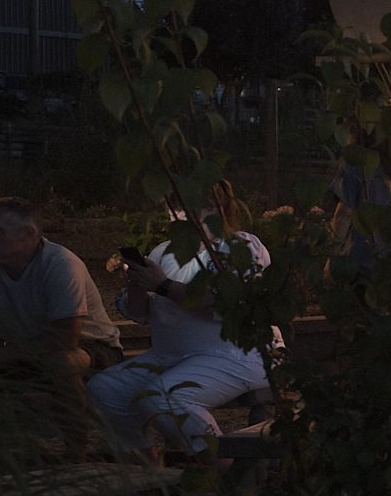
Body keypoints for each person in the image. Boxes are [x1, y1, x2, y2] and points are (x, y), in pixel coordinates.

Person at [87, 185, 272, 459]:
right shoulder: (164, 252)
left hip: (233, 353)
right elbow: (140, 313)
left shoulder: (239, 246)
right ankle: (148, 471)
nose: (179, 217)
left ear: (217, 210)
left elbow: (220, 301)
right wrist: (137, 284)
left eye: (189, 209)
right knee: (105, 388)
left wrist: (162, 285)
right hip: (172, 354)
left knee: (164, 397)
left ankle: (222, 467)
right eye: (174, 210)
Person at [0, 196, 121, 375]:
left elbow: (65, 339)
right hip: (23, 350)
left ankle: (75, 402)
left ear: (28, 233)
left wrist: (1, 355)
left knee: (64, 361)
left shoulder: (61, 264)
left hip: (90, 348)